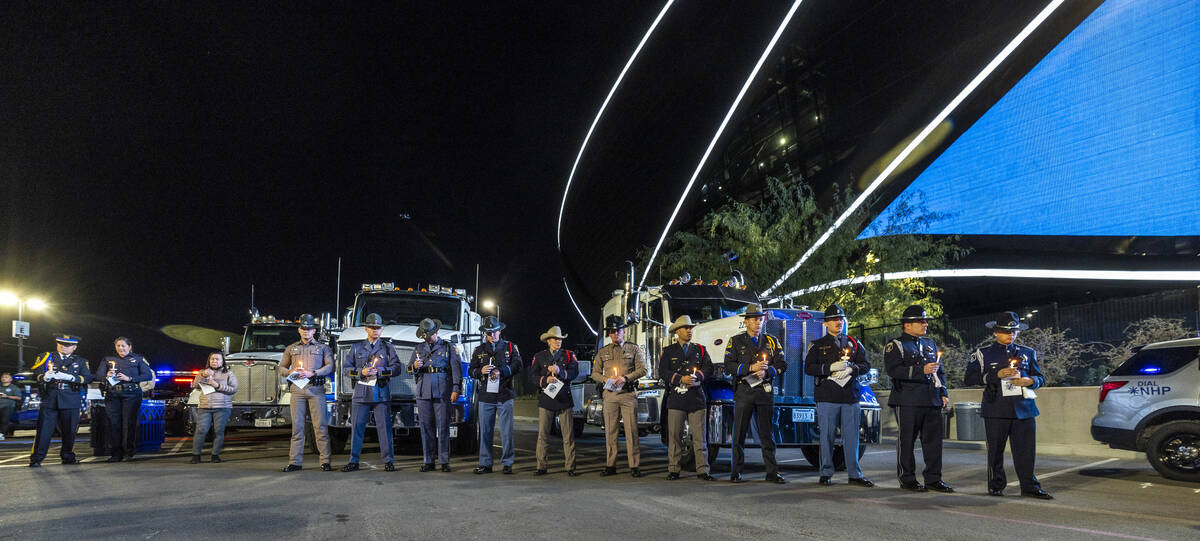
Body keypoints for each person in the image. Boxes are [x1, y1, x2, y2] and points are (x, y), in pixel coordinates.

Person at [965, 312, 1052, 499]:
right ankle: (996, 485)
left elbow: (1040, 377)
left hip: (1024, 408)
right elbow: (970, 378)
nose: (1010, 335)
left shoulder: (1028, 352)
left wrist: (1030, 380)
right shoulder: (983, 353)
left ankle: (1029, 486)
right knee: (995, 450)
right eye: (1006, 331)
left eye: (1014, 331)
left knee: (1026, 451)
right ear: (996, 332)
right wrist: (996, 375)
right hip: (996, 407)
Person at [884, 304, 952, 492]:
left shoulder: (930, 344)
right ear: (907, 325)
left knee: (933, 442)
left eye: (925, 321)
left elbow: (941, 372)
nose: (925, 324)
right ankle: (907, 479)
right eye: (920, 321)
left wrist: (943, 393)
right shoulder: (896, 345)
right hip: (908, 399)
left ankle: (933, 479)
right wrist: (920, 370)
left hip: (931, 398)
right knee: (907, 441)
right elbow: (893, 370)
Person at [804, 305, 874, 487]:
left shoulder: (854, 342)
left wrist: (853, 368)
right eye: (834, 319)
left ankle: (855, 474)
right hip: (827, 396)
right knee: (826, 436)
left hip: (850, 396)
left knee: (852, 438)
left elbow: (865, 365)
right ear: (826, 323)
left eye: (841, 319)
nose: (838, 322)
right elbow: (808, 368)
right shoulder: (818, 345)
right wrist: (829, 368)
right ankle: (826, 472)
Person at [724, 304, 788, 484]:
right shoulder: (735, 341)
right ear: (746, 322)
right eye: (754, 319)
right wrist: (749, 368)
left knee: (767, 435)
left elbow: (783, 364)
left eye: (760, 319)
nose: (758, 322)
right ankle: (736, 472)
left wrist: (768, 372)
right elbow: (728, 365)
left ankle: (772, 472)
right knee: (739, 435)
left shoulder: (772, 341)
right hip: (744, 391)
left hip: (764, 392)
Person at [658, 315, 715, 481]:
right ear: (677, 332)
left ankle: (703, 470)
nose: (689, 331)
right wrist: (680, 379)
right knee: (674, 437)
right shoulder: (668, 351)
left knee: (699, 438)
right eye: (686, 328)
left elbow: (709, 368)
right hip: (676, 398)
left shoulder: (700, 350)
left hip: (697, 398)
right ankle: (674, 469)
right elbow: (663, 372)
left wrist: (699, 377)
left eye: (690, 328)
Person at [342, 313, 400, 472]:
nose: (376, 330)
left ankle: (388, 461)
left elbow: (396, 369)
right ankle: (354, 461)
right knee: (357, 429)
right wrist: (362, 372)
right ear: (366, 329)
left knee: (385, 429)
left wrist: (380, 372)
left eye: (378, 328)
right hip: (361, 393)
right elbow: (346, 370)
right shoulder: (356, 348)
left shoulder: (388, 348)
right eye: (373, 327)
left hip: (381, 393)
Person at [591, 314, 646, 477]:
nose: (615, 334)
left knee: (631, 431)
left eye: (618, 330)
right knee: (611, 431)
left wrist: (626, 377)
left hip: (628, 395)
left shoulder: (634, 349)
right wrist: (605, 379)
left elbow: (643, 369)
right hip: (610, 396)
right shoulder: (603, 352)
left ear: (624, 331)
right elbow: (594, 373)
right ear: (609, 334)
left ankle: (634, 466)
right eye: (612, 332)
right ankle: (610, 465)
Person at [279, 314, 334, 472]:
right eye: (303, 328)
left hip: (316, 390)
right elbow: (281, 368)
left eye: (309, 328)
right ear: (299, 329)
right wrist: (291, 371)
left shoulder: (323, 348)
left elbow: (331, 367)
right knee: (297, 428)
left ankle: (325, 461)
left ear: (314, 330)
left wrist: (314, 372)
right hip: (297, 390)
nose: (306, 331)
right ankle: (294, 462)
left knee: (321, 426)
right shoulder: (291, 348)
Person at [468, 315, 523, 474]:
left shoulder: (510, 347)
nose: (493, 335)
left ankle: (507, 463)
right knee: (485, 431)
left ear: (500, 331)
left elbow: (518, 365)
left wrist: (502, 371)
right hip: (486, 396)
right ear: (485, 333)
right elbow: (471, 370)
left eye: (495, 332)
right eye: (489, 333)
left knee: (506, 432)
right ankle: (485, 464)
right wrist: (480, 371)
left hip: (505, 394)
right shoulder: (479, 350)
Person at [29, 334, 93, 467]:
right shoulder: (46, 357)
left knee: (69, 431)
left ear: (74, 347)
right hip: (50, 397)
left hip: (70, 397)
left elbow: (87, 378)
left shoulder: (81, 361)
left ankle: (67, 456)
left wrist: (71, 378)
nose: (64, 346)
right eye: (61, 343)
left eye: (68, 345)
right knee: (44, 430)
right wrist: (44, 377)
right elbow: (36, 374)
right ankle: (36, 458)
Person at [410, 318, 462, 472]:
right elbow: (410, 369)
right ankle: (428, 461)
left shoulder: (448, 347)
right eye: (425, 335)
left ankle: (444, 461)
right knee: (426, 428)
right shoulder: (418, 348)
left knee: (443, 427)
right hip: (423, 391)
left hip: (442, 391)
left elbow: (456, 369)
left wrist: (456, 389)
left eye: (430, 334)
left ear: (436, 332)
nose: (427, 337)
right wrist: (414, 366)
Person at [530, 326, 579, 476]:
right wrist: (545, 379)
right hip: (547, 397)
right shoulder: (539, 356)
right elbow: (532, 376)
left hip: (564, 397)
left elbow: (574, 372)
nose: (558, 341)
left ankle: (570, 466)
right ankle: (541, 466)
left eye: (560, 339)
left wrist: (560, 372)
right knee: (543, 435)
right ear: (548, 341)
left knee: (568, 435)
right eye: (555, 339)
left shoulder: (569, 355)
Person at [96, 336, 153, 462]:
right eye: (118, 346)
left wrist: (130, 378)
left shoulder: (137, 359)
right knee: (114, 423)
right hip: (113, 394)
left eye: (123, 346)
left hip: (131, 394)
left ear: (129, 347)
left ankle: (129, 452)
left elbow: (147, 375)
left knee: (129, 423)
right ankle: (116, 453)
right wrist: (106, 375)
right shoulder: (108, 359)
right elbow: (98, 375)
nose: (121, 348)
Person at [190, 351, 238, 463]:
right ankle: (196, 455)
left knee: (219, 431)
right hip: (205, 406)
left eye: (217, 359)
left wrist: (218, 385)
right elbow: (195, 386)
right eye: (212, 359)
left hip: (222, 407)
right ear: (209, 361)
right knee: (201, 430)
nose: (214, 361)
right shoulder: (203, 372)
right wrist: (202, 375)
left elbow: (233, 389)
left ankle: (215, 455)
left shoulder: (229, 374)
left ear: (222, 361)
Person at [0, 372, 23, 440]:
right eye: (3, 377)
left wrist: (7, 396)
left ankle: (1, 434)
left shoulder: (14, 388)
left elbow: (19, 397)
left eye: (6, 377)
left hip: (8, 406)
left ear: (10, 379)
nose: (4, 378)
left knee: (4, 421)